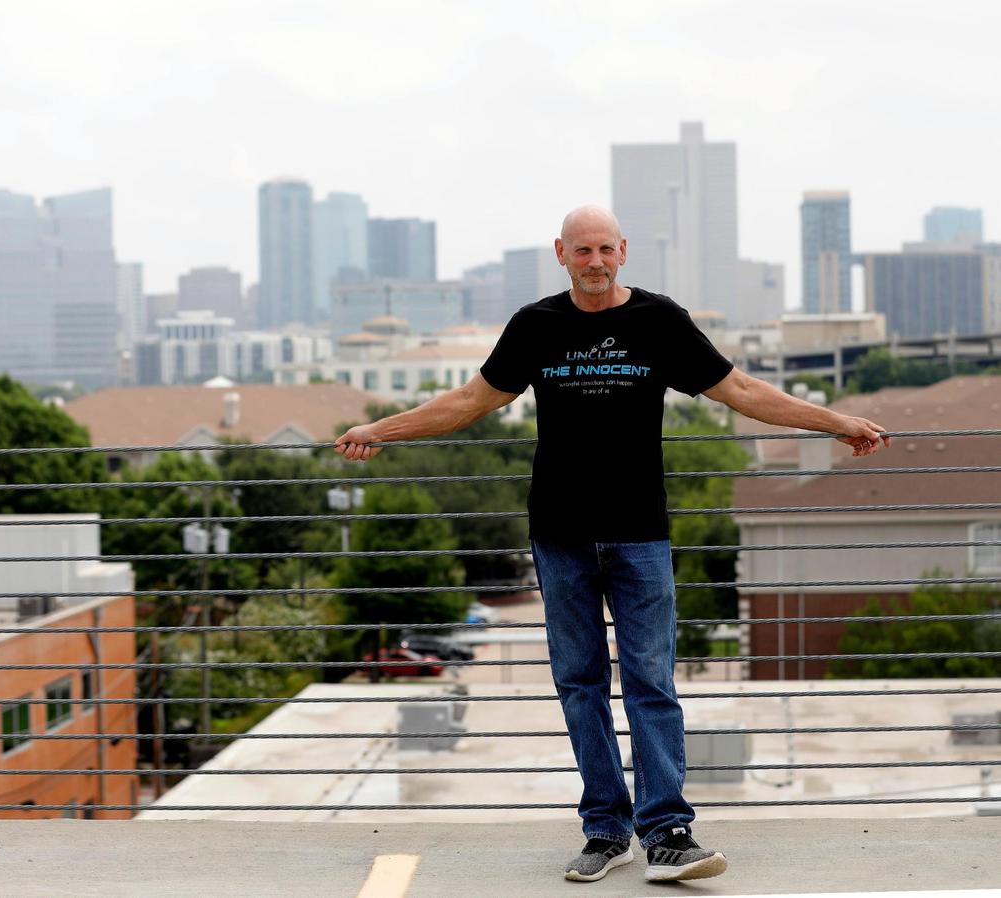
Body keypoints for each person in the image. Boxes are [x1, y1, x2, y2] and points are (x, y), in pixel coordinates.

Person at [334, 205, 890, 884]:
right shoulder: (536, 326)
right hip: (560, 533)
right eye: (581, 251)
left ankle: (667, 833)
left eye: (604, 249)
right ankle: (605, 829)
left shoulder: (658, 321)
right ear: (560, 254)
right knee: (580, 686)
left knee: (652, 683)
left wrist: (832, 422)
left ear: (623, 251)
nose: (594, 262)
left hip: (639, 533)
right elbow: (467, 403)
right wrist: (380, 431)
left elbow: (740, 391)